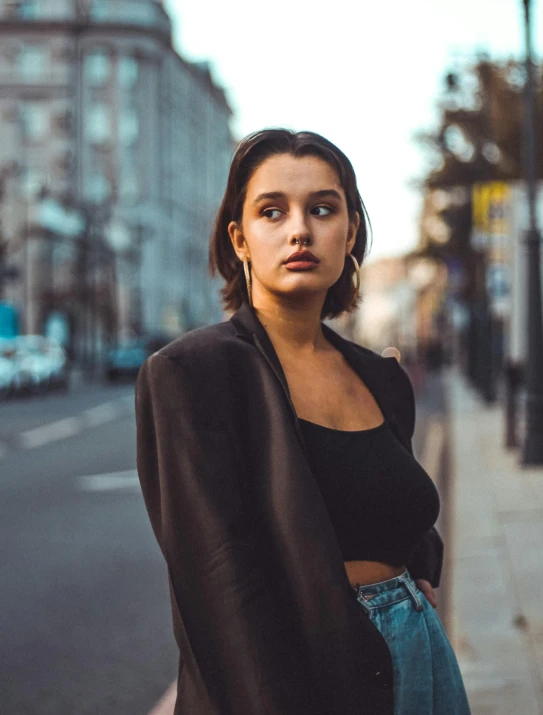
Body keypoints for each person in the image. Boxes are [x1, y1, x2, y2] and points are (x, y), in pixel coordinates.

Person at [135, 128, 471, 715]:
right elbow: (220, 586)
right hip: (305, 673)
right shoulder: (192, 374)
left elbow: (398, 501)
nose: (300, 229)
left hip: (419, 658)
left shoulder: (380, 377)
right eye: (272, 212)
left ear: (351, 232)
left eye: (322, 208)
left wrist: (413, 576)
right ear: (239, 239)